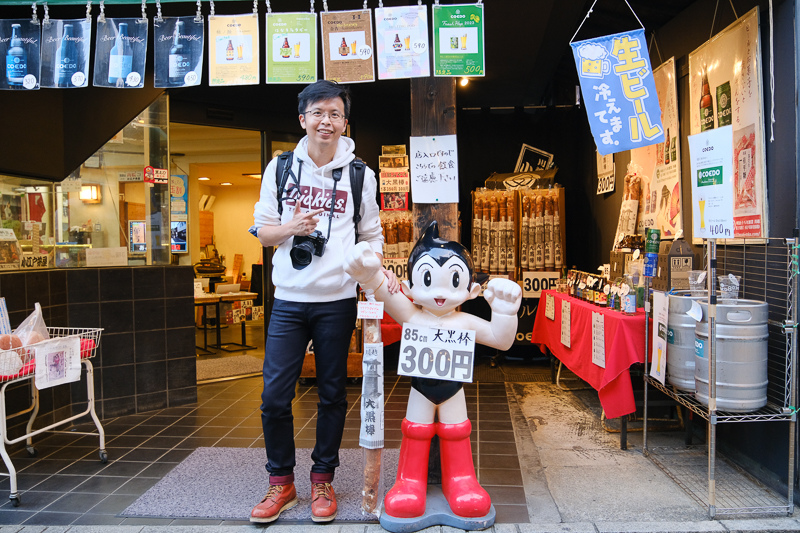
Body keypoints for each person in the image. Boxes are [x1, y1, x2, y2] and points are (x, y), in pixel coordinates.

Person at [250, 80, 399, 524]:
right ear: (303, 119)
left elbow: (372, 237)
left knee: (333, 394)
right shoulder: (279, 170)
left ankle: (322, 478)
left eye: (334, 113)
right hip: (290, 300)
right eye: (318, 112)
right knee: (274, 397)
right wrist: (291, 226)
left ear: (344, 122)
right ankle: (281, 482)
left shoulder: (360, 175)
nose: (326, 121)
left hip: (337, 300)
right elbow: (261, 231)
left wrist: (373, 269)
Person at [344, 221, 521, 519]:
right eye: (428, 278)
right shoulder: (412, 315)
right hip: (419, 390)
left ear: (471, 289)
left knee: (457, 431)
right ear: (410, 285)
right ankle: (409, 482)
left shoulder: (464, 322)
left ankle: (462, 482)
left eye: (453, 281)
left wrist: (504, 312)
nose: (440, 294)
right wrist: (369, 275)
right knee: (415, 431)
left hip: (454, 391)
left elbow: (501, 340)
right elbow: (384, 294)